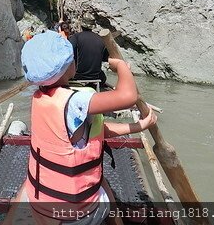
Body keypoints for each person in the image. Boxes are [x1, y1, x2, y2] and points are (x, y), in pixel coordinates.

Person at [12, 31, 157, 225]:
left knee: (31, 183)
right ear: (69, 67)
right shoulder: (76, 101)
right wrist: (122, 67)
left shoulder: (40, 97)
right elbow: (128, 96)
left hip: (41, 206)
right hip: (73, 216)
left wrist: (139, 125)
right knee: (104, 185)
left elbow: (98, 132)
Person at [68, 17, 108, 86]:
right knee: (103, 77)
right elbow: (105, 58)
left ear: (81, 25)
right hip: (96, 76)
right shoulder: (101, 39)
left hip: (77, 76)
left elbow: (68, 53)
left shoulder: (76, 37)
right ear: (92, 27)